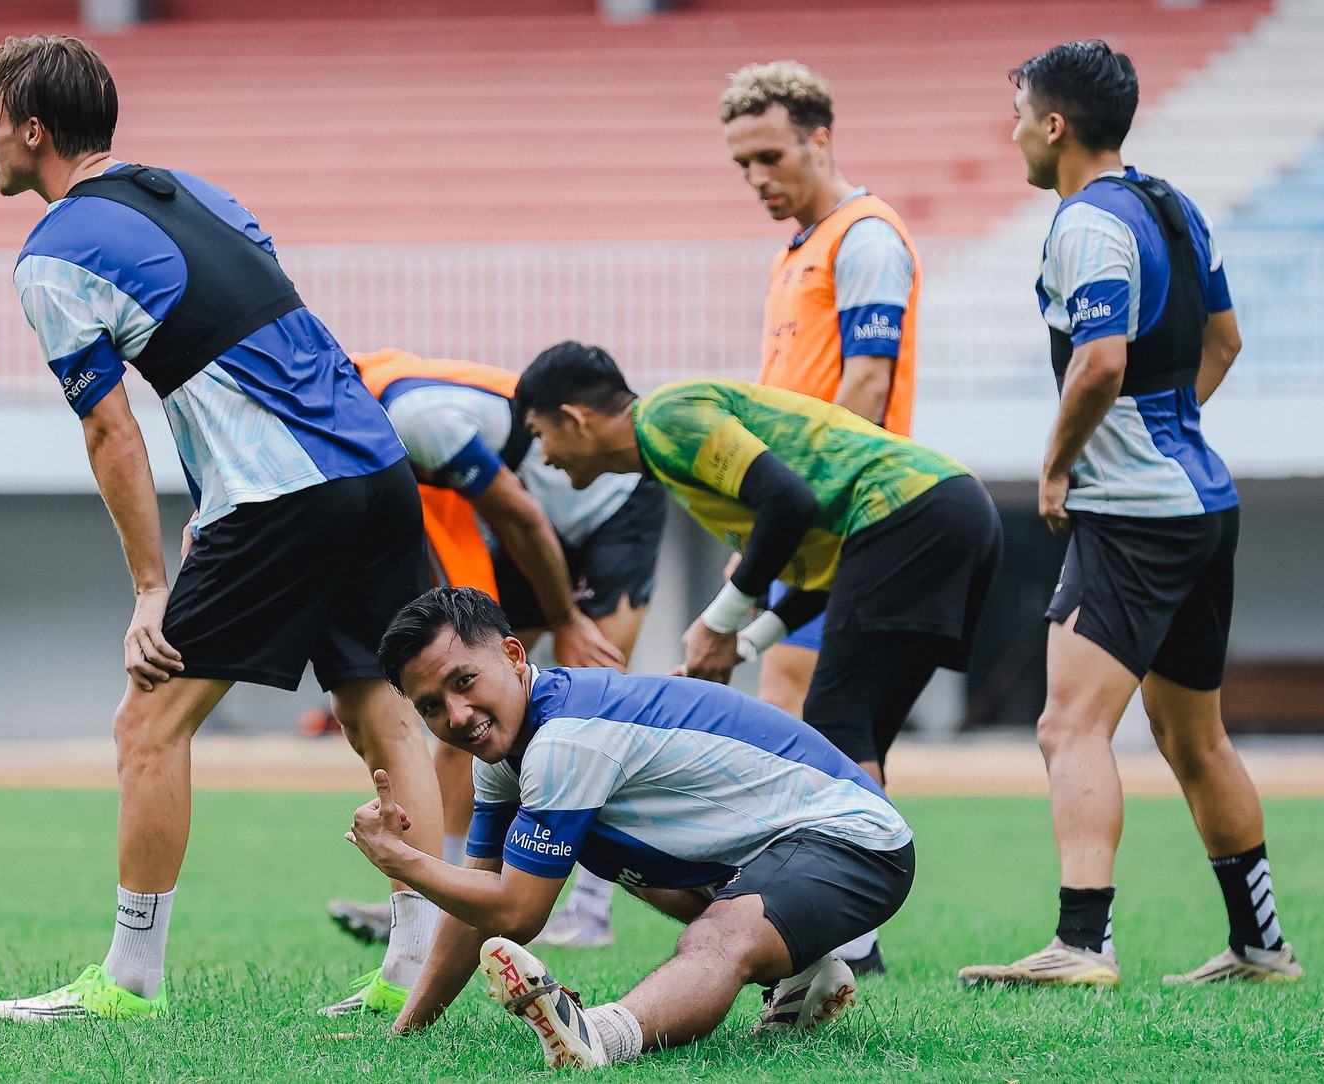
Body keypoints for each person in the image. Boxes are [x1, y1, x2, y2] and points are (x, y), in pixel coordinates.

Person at [0, 34, 442, 1022]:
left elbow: (112, 430)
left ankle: (129, 981)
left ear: (34, 130)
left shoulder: (53, 253)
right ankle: (413, 976)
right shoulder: (202, 193)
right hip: (377, 463)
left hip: (284, 490)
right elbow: (259, 355)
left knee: (148, 720)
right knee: (381, 710)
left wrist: (151, 587)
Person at [958, 41, 1302, 988]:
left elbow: (1100, 359)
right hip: (1201, 503)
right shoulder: (1176, 207)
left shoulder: (1083, 223)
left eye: (1019, 116)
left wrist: (1059, 465)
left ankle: (1082, 944)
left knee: (1066, 725)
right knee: (1194, 736)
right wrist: (1166, 432)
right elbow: (1225, 341)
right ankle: (1260, 946)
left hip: (1132, 517)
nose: (1013, 134)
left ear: (1054, 125)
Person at [343, 585, 915, 1069]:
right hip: (772, 850)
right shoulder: (508, 748)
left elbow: (515, 913)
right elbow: (477, 909)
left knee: (715, 938)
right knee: (618, 855)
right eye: (431, 706)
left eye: (464, 681)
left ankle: (599, 1037)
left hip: (857, 840)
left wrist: (402, 860)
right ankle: (806, 976)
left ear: (514, 655)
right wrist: (406, 1034)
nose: (456, 715)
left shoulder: (565, 740)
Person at [515, 342, 1001, 804]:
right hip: (956, 512)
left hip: (910, 514)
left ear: (574, 419)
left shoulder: (664, 416)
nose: (545, 458)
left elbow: (788, 504)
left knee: (835, 724)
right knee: (859, 731)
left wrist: (716, 623)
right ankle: (871, 855)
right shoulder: (665, 458)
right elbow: (828, 573)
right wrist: (742, 645)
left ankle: (854, 860)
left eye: (539, 436)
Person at [325, 349, 666, 958]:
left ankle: (591, 910)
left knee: (595, 709)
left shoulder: (414, 418)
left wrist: (566, 620)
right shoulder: (359, 422)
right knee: (465, 701)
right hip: (533, 529)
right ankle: (441, 893)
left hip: (608, 515)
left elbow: (521, 514)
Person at [722, 59, 923, 974]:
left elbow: (867, 386)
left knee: (809, 715)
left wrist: (815, 515)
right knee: (810, 714)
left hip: (848, 519)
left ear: (819, 138)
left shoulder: (865, 238)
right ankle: (842, 930)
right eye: (742, 164)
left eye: (769, 156)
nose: (757, 178)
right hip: (812, 525)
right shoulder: (796, 251)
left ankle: (848, 929)